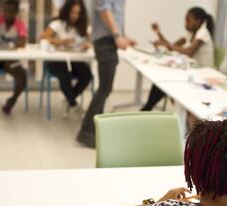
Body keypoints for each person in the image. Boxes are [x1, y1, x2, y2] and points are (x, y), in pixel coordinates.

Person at [76, 0, 135, 148]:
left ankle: (94, 130)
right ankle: (86, 131)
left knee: (105, 88)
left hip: (108, 40)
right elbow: (104, 9)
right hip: (106, 41)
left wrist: (122, 36)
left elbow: (115, 15)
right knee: (104, 88)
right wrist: (117, 35)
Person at [141, 7, 215, 111]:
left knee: (167, 79)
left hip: (203, 74)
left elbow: (189, 51)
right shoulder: (191, 33)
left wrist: (165, 44)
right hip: (192, 72)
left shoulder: (203, 33)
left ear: (198, 21)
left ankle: (148, 107)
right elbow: (173, 45)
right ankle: (148, 107)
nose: (185, 23)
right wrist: (158, 33)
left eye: (188, 20)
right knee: (163, 78)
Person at [40, 0, 92, 118]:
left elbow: (91, 41)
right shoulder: (58, 23)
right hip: (57, 60)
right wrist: (60, 41)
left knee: (87, 75)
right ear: (67, 11)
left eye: (78, 13)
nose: (75, 16)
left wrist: (87, 44)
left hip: (75, 59)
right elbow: (43, 38)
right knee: (65, 75)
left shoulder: (83, 26)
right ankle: (74, 104)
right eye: (73, 12)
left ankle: (69, 100)